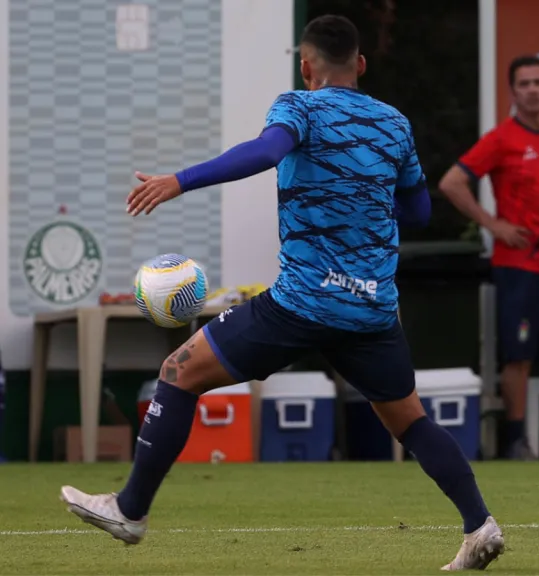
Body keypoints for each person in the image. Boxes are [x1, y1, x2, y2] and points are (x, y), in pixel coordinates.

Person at [59, 15, 505, 571]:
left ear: (306, 66)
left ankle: (130, 510)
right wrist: (362, 195)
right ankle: (479, 524)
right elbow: (416, 210)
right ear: (361, 64)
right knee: (411, 422)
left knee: (177, 372)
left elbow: (268, 151)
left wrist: (179, 180)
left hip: (302, 304)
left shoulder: (298, 106)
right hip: (370, 310)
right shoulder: (394, 123)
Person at [439, 55, 539, 460]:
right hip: (519, 267)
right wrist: (492, 223)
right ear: (513, 92)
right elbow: (452, 182)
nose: (532, 90)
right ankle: (515, 441)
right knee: (519, 356)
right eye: (524, 84)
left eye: (538, 82)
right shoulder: (501, 138)